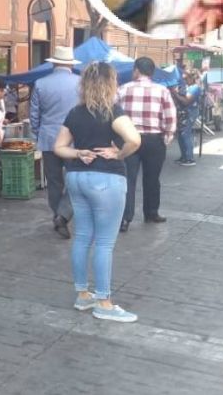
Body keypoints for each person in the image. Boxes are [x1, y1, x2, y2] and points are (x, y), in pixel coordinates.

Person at [54, 63, 141, 323]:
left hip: (77, 178)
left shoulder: (75, 113)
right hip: (106, 180)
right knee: (104, 243)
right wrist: (119, 153)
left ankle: (83, 295)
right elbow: (135, 140)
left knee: (82, 237)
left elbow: (59, 147)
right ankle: (104, 302)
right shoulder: (113, 111)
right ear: (111, 84)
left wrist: (79, 152)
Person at [116, 57, 177, 232]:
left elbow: (113, 111)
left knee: (128, 179)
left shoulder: (123, 89)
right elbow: (170, 115)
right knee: (152, 178)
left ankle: (125, 219)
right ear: (152, 72)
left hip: (129, 138)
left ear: (136, 70)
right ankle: (151, 213)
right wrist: (168, 134)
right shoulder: (162, 90)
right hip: (154, 139)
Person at [30, 46, 81, 239]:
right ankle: (64, 214)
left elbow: (34, 115)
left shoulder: (40, 83)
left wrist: (39, 132)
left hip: (48, 138)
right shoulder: (80, 83)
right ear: (70, 63)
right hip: (73, 140)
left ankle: (57, 215)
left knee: (53, 181)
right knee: (76, 180)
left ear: (53, 63)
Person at [172, 69, 202, 166]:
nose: (184, 80)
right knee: (181, 134)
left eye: (186, 78)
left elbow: (186, 101)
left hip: (190, 112)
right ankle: (184, 156)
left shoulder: (195, 88)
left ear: (191, 78)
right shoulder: (186, 87)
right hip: (183, 112)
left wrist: (175, 93)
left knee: (186, 134)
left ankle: (189, 158)